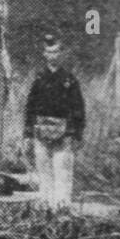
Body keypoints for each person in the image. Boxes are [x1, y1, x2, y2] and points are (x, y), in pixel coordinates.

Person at [23, 35, 85, 212]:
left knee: (63, 172)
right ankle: (45, 207)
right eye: (49, 52)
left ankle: (62, 208)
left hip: (64, 133)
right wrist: (27, 134)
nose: (53, 55)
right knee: (44, 172)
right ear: (44, 54)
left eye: (56, 51)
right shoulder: (39, 78)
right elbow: (30, 107)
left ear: (61, 53)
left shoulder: (69, 79)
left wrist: (77, 134)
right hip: (41, 132)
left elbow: (78, 107)